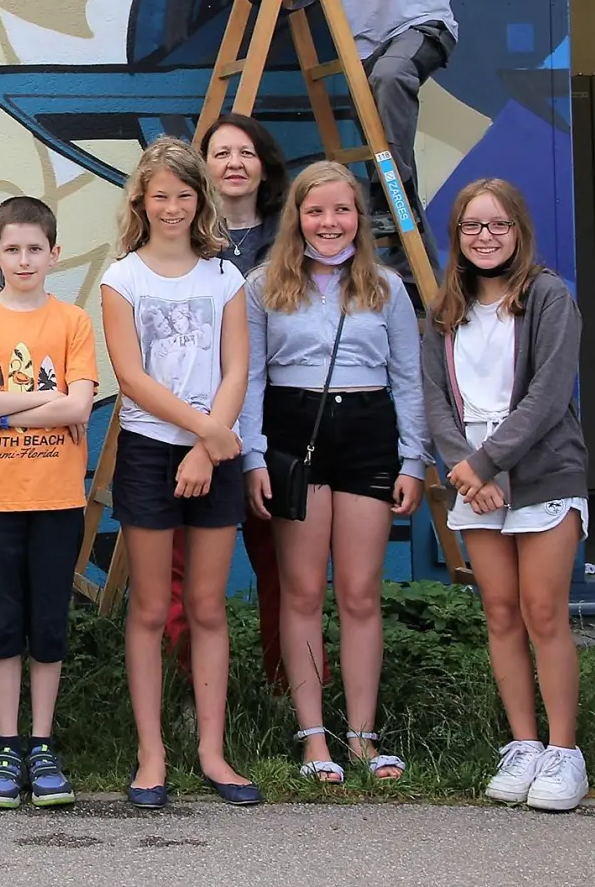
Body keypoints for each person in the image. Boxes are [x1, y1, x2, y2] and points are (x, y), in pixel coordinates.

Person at [239, 161, 426, 784]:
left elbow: (408, 379)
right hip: (294, 434)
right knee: (301, 592)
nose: (329, 222)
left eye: (341, 209)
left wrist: (413, 459)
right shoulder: (263, 285)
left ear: (358, 217)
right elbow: (251, 381)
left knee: (359, 591)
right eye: (315, 210)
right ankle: (313, 737)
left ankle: (364, 738)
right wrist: (253, 457)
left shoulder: (387, 286)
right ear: (296, 217)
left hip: (369, 434)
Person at [100, 137, 259, 809]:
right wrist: (204, 432)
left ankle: (212, 752)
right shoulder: (123, 279)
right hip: (149, 451)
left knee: (206, 606)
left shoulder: (224, 278)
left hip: (211, 453)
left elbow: (237, 368)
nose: (171, 207)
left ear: (201, 200)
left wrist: (207, 446)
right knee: (146, 608)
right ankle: (152, 753)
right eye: (160, 195)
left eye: (183, 195)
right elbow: (131, 377)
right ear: (141, 200)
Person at [422, 178, 589, 810]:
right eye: (472, 226)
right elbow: (435, 399)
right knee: (499, 612)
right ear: (457, 235)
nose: (485, 237)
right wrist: (464, 467)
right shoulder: (445, 309)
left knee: (543, 612)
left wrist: (488, 463)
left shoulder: (549, 296)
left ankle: (564, 753)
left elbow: (549, 393)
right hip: (474, 478)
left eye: (498, 225)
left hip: (541, 470)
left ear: (519, 230)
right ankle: (524, 744)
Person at [0, 197, 96, 808]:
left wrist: (3, 407)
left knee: (49, 622)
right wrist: (42, 403)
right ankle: (8, 744)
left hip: (58, 498)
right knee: (3, 621)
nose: (24, 259)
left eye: (36, 248)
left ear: (54, 254)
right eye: (12, 248)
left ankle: (41, 743)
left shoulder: (72, 321)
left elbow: (79, 405)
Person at [165, 114, 292, 684]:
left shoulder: (293, 240)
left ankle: (289, 685)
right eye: (221, 153)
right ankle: (189, 683)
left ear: (265, 166)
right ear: (203, 168)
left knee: (282, 563)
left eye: (246, 152)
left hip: (275, 419)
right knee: (184, 567)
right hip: (192, 422)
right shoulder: (181, 239)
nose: (234, 163)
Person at [338, 0, 456, 288]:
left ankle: (387, 192)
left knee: (390, 76)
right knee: (386, 156)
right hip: (363, 42)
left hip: (421, 22)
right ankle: (421, 284)